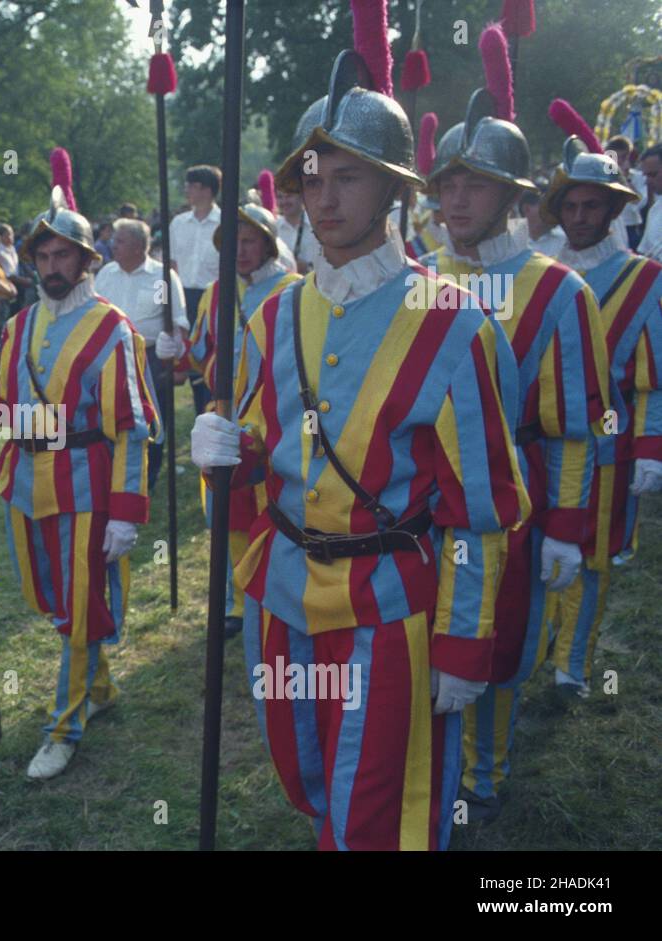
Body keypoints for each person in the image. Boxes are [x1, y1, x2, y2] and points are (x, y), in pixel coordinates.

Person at [191, 33, 529, 850]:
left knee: (382, 813)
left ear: (392, 190)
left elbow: (482, 512)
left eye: (348, 177)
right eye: (313, 180)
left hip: (392, 608)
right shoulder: (272, 314)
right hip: (285, 597)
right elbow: (268, 457)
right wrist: (223, 458)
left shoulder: (456, 323)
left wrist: (461, 646)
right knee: (308, 780)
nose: (326, 199)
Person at [420, 35, 612, 823]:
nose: (456, 201)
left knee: (498, 639)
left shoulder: (560, 292)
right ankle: (427, 760)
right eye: (447, 185)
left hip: (518, 494)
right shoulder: (418, 276)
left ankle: (485, 772)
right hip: (423, 496)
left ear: (514, 197)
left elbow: (574, 425)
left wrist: (566, 527)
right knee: (433, 631)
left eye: (476, 186)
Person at [0, 151, 160, 782]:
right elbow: (13, 417)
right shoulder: (16, 328)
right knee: (55, 601)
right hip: (24, 483)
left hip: (87, 487)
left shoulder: (112, 330)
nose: (50, 266)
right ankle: (97, 688)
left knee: (76, 600)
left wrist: (127, 512)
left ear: (85, 261)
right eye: (42, 257)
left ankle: (64, 724)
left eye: (62, 256)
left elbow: (131, 428)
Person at [538, 106, 662, 704]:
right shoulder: (541, 274)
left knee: (591, 558)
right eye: (571, 206)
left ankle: (573, 666)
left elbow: (652, 377)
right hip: (542, 443)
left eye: (593, 206)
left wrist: (651, 446)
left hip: (608, 447)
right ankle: (535, 647)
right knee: (538, 551)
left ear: (614, 211)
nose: (581, 217)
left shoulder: (645, 278)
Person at [182, 201, 301, 637]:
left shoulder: (292, 290)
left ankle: (266, 590)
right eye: (233, 241)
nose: (241, 250)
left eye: (250, 241)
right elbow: (198, 352)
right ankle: (235, 599)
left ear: (268, 244)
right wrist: (178, 352)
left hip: (269, 423)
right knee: (226, 514)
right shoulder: (216, 292)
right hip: (222, 416)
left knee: (266, 511)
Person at [94, 217, 187, 490]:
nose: (113, 245)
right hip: (110, 358)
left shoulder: (161, 278)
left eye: (119, 241)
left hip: (150, 358)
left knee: (152, 419)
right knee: (112, 414)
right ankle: (114, 470)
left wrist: (175, 357)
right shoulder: (106, 274)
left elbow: (177, 322)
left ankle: (149, 475)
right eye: (113, 240)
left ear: (138, 245)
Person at [170, 166, 222, 418]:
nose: (186, 191)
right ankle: (199, 413)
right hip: (185, 296)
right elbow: (172, 266)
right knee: (189, 361)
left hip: (214, 298)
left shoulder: (224, 223)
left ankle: (212, 409)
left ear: (206, 189)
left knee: (211, 359)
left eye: (191, 185)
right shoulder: (178, 223)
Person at [519, 179, 566, 257]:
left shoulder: (564, 242)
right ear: (527, 209)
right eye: (548, 206)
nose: (554, 211)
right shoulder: (509, 244)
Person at [634, 144, 662, 261]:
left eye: (652, 174)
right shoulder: (655, 210)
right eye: (646, 176)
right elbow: (645, 255)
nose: (647, 182)